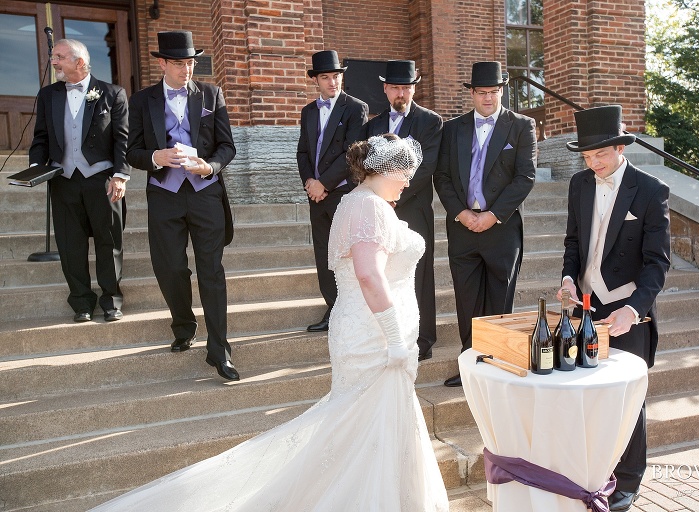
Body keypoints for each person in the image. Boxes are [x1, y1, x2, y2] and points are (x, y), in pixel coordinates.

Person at [88, 134, 449, 512]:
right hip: (375, 338)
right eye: (404, 173)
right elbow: (369, 276)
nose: (408, 181)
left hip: (367, 330)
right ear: (384, 170)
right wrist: (395, 339)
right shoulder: (369, 207)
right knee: (364, 424)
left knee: (365, 426)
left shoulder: (358, 201)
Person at [556, 105, 671, 512]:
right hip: (585, 306)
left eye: (600, 155)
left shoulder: (651, 190)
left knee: (628, 400)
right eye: (587, 157)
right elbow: (574, 242)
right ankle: (594, 470)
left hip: (626, 311)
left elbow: (658, 264)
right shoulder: (579, 184)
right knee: (586, 393)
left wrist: (634, 310)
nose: (594, 164)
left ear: (621, 147)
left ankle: (629, 481)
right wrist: (567, 278)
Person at [126, 31, 239, 381]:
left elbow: (227, 146)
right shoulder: (141, 100)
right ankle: (184, 324)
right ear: (162, 63)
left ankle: (219, 350)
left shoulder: (211, 94)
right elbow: (131, 152)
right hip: (165, 193)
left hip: (205, 193)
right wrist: (155, 157)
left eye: (190, 63)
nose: (186, 69)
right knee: (171, 268)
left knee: (211, 271)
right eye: (179, 63)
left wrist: (210, 166)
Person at [434, 61, 537, 387]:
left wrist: (492, 215)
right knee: (467, 300)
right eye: (482, 92)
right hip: (462, 228)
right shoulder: (452, 129)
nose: (488, 98)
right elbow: (442, 176)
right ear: (472, 94)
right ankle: (471, 365)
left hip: (501, 229)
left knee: (499, 300)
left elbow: (525, 177)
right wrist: (461, 213)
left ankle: (498, 364)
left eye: (493, 92)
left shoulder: (521, 126)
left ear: (501, 91)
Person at [29, 38, 128, 323]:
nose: (53, 62)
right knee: (70, 244)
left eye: (59, 57)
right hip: (63, 179)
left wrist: (120, 176)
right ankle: (82, 302)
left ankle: (111, 301)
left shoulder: (112, 93)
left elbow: (122, 140)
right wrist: (36, 167)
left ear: (79, 62)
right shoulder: (48, 95)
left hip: (102, 179)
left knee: (109, 241)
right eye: (53, 57)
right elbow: (41, 137)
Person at [361, 60, 443, 361]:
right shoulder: (373, 125)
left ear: (414, 89)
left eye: (406, 87)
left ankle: (423, 338)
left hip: (414, 209)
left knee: (418, 274)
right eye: (395, 87)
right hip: (380, 211)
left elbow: (426, 166)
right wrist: (379, 199)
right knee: (386, 273)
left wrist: (393, 195)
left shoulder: (430, 122)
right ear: (385, 89)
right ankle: (391, 334)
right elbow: (366, 165)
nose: (401, 93)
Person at [297, 50, 369, 332]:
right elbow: (303, 152)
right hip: (316, 196)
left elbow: (352, 152)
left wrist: (323, 183)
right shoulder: (308, 111)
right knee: (324, 255)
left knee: (346, 256)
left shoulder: (355, 108)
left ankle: (354, 312)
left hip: (342, 194)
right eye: (325, 77)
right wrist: (310, 183)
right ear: (316, 80)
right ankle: (333, 310)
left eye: (336, 76)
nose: (332, 82)